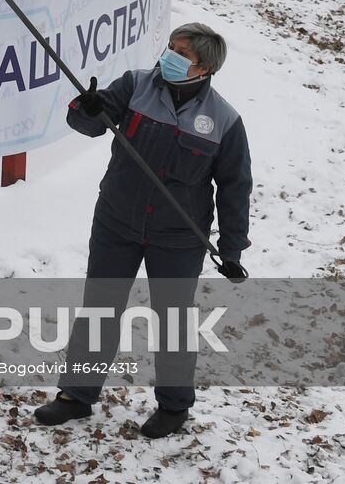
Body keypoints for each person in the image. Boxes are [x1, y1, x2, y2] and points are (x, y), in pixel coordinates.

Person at [33, 23, 252, 439]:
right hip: (117, 220)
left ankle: (173, 405)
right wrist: (87, 106)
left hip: (178, 237)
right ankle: (76, 396)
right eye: (169, 46)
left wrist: (233, 248)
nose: (168, 55)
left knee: (173, 319)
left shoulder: (223, 121)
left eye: (180, 52)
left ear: (203, 67)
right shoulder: (135, 86)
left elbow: (235, 187)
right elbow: (89, 123)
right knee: (100, 307)